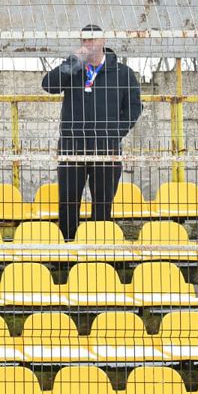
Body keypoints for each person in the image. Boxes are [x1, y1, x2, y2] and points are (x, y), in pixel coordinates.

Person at [41, 23, 142, 240]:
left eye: (92, 40)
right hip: (72, 147)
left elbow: (134, 107)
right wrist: (72, 63)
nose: (88, 44)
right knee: (68, 201)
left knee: (103, 203)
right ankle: (68, 248)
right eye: (84, 40)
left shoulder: (122, 73)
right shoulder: (73, 69)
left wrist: (115, 133)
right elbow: (49, 85)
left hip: (106, 148)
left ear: (104, 41)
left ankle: (99, 248)